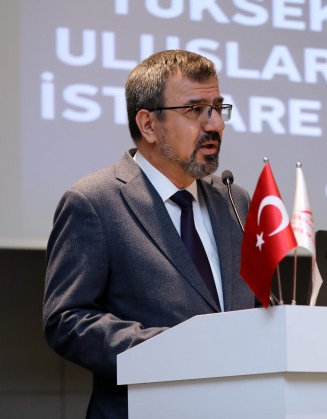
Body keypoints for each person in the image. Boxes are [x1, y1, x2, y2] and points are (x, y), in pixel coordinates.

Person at [43, 50, 255, 418]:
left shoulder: (234, 200)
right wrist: (172, 349)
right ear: (148, 125)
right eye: (195, 110)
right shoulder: (95, 202)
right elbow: (67, 320)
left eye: (218, 108)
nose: (216, 124)